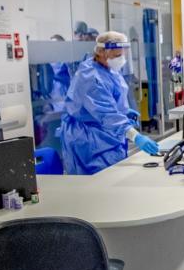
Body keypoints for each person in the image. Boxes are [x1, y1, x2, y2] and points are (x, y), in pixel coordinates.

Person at [59, 31, 158, 175]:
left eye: (122, 55)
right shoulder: (91, 77)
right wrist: (136, 136)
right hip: (90, 140)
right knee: (99, 184)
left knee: (114, 178)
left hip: (107, 135)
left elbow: (111, 99)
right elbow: (106, 114)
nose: (121, 59)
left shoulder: (109, 69)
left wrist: (123, 111)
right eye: (117, 56)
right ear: (102, 52)